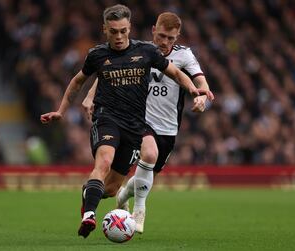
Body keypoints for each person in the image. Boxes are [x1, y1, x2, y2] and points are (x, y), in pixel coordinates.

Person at [40, 4, 213, 239]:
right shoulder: (102, 54)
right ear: (105, 30)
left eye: (123, 31)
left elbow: (179, 74)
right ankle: (97, 213)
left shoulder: (149, 53)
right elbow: (87, 78)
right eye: (114, 31)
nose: (119, 36)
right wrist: (70, 107)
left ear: (129, 28)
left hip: (144, 125)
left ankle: (97, 193)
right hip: (114, 119)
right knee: (109, 160)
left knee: (112, 187)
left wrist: (197, 91)